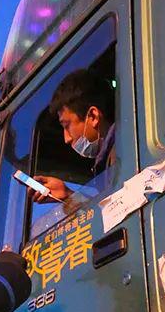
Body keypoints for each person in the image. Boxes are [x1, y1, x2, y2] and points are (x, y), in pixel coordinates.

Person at [19, 68, 117, 234]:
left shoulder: (120, 155)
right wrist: (66, 195)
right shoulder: (114, 157)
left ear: (92, 117)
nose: (66, 138)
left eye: (67, 126)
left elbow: (114, 217)